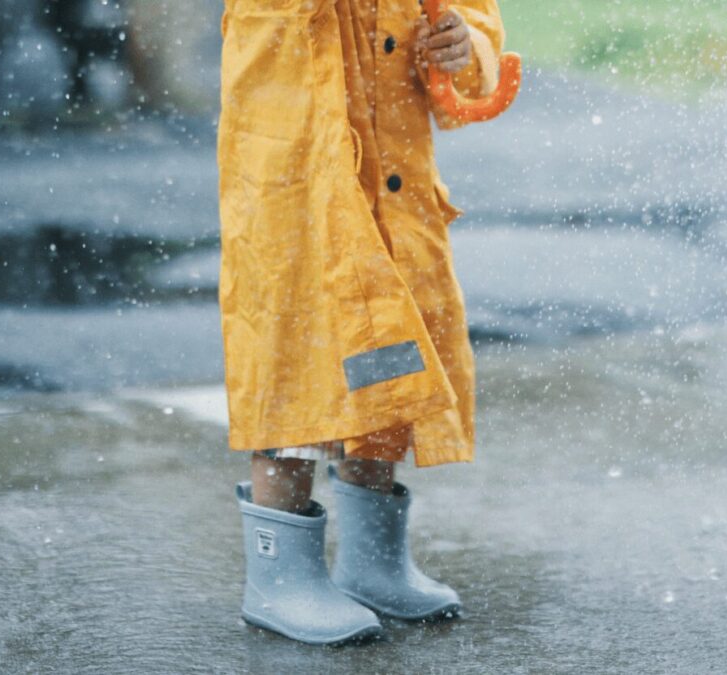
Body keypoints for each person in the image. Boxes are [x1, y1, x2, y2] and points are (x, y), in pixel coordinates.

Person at [217, 0, 507, 645]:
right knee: (296, 363)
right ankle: (279, 575)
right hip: (297, 186)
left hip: (394, 188)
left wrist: (467, 46)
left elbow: (472, 18)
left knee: (388, 359)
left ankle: (371, 562)